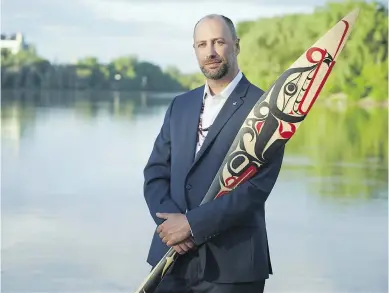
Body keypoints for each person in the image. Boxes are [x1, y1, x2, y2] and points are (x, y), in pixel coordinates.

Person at [143, 14, 285, 293]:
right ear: (195, 50)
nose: (210, 52)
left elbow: (255, 189)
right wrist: (172, 226)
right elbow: (155, 173)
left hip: (233, 267)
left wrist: (192, 225)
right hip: (171, 260)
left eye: (219, 42)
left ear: (236, 45)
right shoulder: (180, 105)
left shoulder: (265, 108)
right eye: (202, 44)